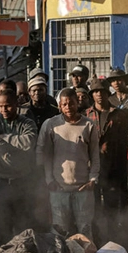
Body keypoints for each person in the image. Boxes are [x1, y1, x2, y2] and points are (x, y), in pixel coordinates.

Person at [37, 89, 100, 240]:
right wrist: (49, 180)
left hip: (83, 188)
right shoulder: (51, 125)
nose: (68, 107)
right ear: (59, 106)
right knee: (59, 231)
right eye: (64, 104)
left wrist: (93, 180)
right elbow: (45, 155)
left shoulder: (88, 125)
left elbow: (95, 154)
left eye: (71, 103)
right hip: (58, 189)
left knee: (85, 229)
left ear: (77, 103)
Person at [0, 90, 39, 248]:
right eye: (0, 106)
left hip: (21, 180)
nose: (4, 110)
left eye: (7, 106)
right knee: (0, 223)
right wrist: (15, 146)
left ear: (16, 105)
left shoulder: (27, 122)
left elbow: (29, 142)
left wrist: (3, 140)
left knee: (21, 222)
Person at [84, 77, 128, 244]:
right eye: (95, 92)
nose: (99, 95)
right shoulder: (87, 116)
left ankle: (113, 241)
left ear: (107, 93)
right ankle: (96, 241)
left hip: (114, 167)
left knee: (111, 207)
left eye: (102, 92)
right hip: (94, 169)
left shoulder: (118, 115)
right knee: (94, 208)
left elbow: (124, 139)